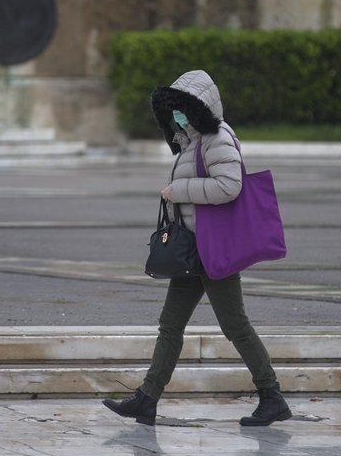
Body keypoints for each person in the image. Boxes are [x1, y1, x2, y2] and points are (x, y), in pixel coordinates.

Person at [102, 69, 292, 427]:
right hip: (194, 249)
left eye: (182, 107)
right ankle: (147, 399)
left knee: (235, 326)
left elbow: (229, 186)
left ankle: (272, 396)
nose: (176, 114)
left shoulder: (216, 137)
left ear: (199, 106)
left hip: (214, 249)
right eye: (172, 109)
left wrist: (180, 191)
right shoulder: (192, 141)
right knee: (170, 325)